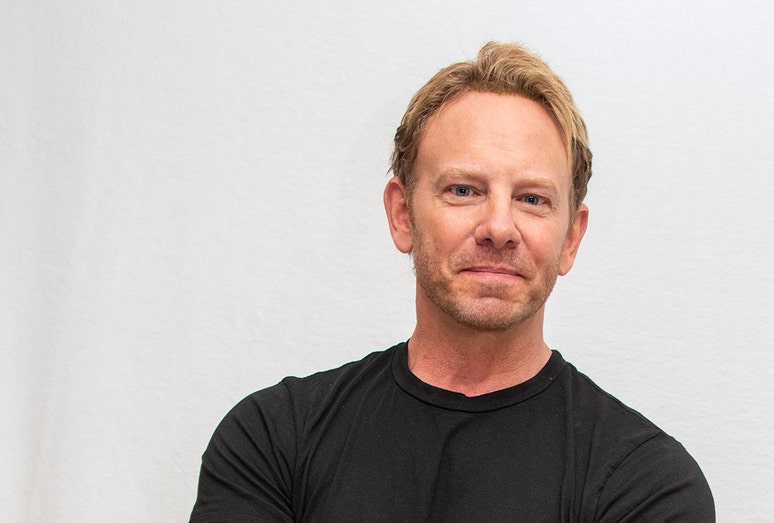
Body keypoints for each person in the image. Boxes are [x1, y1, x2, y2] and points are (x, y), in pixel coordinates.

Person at [190, 42, 714, 522]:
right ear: (402, 215)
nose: (499, 228)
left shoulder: (646, 484)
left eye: (532, 199)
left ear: (570, 239)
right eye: (464, 190)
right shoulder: (274, 440)